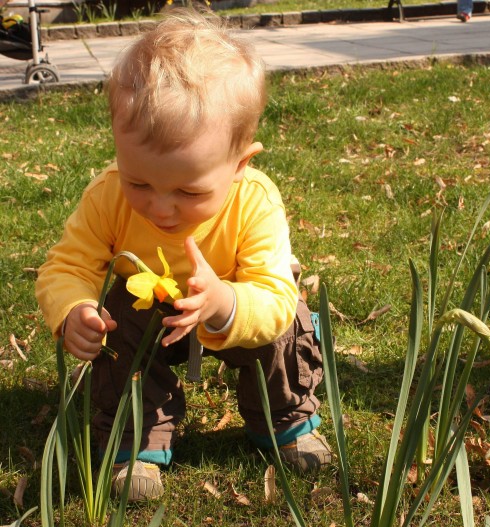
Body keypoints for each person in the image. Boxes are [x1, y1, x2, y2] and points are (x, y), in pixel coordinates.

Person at [35, 9, 331, 502]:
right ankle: (137, 440)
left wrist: (223, 302)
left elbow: (273, 294)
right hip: (147, 316)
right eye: (140, 182)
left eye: (189, 191)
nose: (161, 207)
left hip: (235, 311)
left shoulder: (254, 200)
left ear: (240, 165)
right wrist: (73, 310)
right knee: (118, 322)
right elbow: (69, 263)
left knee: (288, 324)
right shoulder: (107, 195)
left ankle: (285, 421)